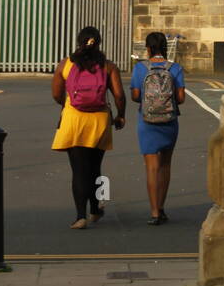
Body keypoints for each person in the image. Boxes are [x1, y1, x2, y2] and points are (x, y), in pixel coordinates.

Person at [51, 26, 125, 230]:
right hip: (99, 120)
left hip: (74, 119)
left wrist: (66, 104)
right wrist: (121, 115)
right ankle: (96, 208)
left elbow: (56, 93)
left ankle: (80, 216)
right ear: (99, 42)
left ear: (79, 41)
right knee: (94, 166)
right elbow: (119, 95)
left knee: (78, 170)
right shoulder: (108, 66)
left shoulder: (66, 64)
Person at [130, 31, 186, 225]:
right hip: (169, 122)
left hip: (147, 122)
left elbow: (135, 96)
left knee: (152, 167)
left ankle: (154, 212)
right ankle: (161, 208)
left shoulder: (140, 69)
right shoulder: (175, 68)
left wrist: (148, 98)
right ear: (164, 47)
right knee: (165, 165)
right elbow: (181, 99)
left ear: (148, 48)